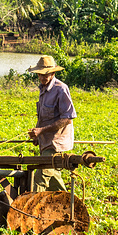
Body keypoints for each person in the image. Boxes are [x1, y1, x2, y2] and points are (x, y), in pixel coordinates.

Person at [27, 56, 77, 192]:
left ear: (53, 73)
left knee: (41, 176)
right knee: (54, 179)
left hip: (56, 143)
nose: (43, 77)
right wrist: (37, 134)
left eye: (46, 74)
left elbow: (68, 118)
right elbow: (43, 116)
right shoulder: (43, 90)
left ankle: (31, 210)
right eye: (41, 74)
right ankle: (67, 207)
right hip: (46, 141)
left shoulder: (61, 89)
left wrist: (41, 131)